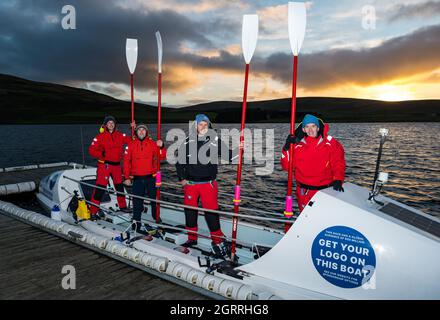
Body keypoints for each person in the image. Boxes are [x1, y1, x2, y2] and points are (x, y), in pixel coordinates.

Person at [175, 114, 234, 259]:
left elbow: (230, 156)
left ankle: (217, 240)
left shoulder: (215, 141)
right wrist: (181, 178)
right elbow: (179, 162)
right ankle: (192, 238)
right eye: (200, 124)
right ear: (195, 126)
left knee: (211, 213)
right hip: (191, 184)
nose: (203, 127)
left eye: (205, 124)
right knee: (190, 212)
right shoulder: (187, 142)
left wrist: (241, 148)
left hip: (208, 184)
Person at [281, 114, 346, 213]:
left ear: (318, 127)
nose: (310, 130)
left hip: (324, 192)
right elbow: (287, 167)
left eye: (313, 126)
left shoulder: (331, 144)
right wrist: (286, 148)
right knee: (305, 217)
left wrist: (338, 179)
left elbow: (338, 163)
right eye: (307, 127)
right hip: (303, 192)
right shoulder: (296, 146)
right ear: (303, 130)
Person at [123, 123, 166, 231]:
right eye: (139, 130)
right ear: (136, 132)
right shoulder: (131, 145)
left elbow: (162, 156)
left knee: (154, 199)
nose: (141, 131)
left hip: (152, 177)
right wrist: (127, 177)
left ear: (146, 132)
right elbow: (126, 162)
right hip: (137, 178)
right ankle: (136, 221)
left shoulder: (152, 144)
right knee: (137, 201)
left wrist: (162, 146)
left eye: (143, 130)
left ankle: (156, 217)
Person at [88, 115, 132, 219]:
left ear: (115, 124)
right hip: (105, 165)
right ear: (105, 125)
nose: (111, 124)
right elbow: (91, 150)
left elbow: (132, 141)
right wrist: (101, 153)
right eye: (109, 123)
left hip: (116, 166)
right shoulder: (100, 137)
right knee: (100, 188)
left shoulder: (120, 135)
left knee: (120, 188)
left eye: (112, 123)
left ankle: (123, 207)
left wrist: (133, 128)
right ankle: (93, 211)